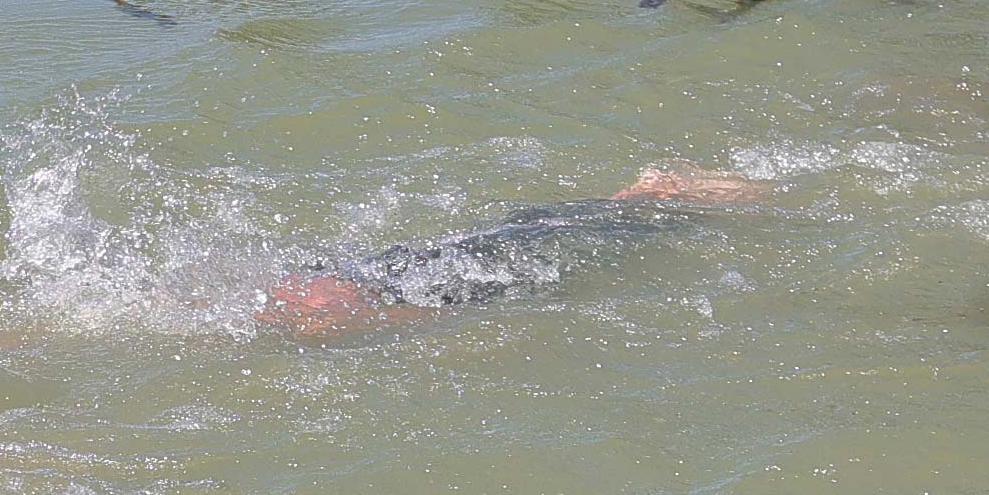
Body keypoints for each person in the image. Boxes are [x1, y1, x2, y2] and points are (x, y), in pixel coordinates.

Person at [253, 165, 767, 337]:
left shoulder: (326, 302)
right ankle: (647, 194)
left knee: (564, 237)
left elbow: (390, 317)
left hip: (451, 272)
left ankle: (658, 192)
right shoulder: (319, 288)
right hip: (438, 263)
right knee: (527, 233)